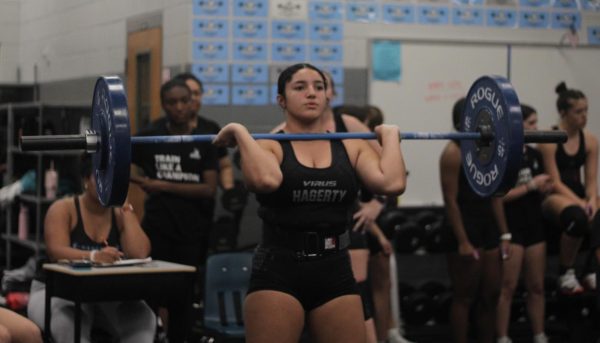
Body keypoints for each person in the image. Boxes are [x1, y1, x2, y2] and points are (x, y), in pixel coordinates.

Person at [213, 63, 406, 343]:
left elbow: (392, 184)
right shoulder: (269, 145)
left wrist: (390, 137)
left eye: (318, 87)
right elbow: (264, 182)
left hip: (335, 268)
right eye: (300, 87)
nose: (311, 93)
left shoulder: (350, 145)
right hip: (279, 268)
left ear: (328, 96)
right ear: (282, 100)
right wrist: (240, 132)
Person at [27, 154, 156, 343]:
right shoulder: (63, 209)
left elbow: (141, 252)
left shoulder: (119, 213)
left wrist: (125, 205)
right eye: (101, 176)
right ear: (86, 179)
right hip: (56, 292)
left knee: (143, 319)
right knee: (69, 323)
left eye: (114, 177)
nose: (108, 182)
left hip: (104, 294)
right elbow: (56, 252)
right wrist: (93, 256)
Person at [131, 78, 219, 342]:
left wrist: (162, 185)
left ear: (193, 102)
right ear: (164, 105)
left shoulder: (205, 136)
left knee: (182, 301)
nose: (179, 107)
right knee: (149, 298)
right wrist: (142, 182)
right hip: (157, 229)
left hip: (192, 233)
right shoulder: (149, 135)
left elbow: (208, 188)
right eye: (172, 102)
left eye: (184, 101)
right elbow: (118, 162)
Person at [439, 98, 510, 343]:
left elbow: (495, 195)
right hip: (463, 226)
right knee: (464, 297)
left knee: (491, 294)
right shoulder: (452, 153)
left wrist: (504, 234)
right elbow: (450, 200)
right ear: (463, 122)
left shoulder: (488, 149)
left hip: (488, 225)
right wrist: (463, 241)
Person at [495, 104, 553, 343]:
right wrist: (529, 186)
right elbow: (498, 196)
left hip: (534, 226)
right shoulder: (504, 156)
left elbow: (544, 189)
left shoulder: (536, 155)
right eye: (530, 124)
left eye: (535, 123)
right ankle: (502, 337)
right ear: (518, 126)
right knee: (507, 287)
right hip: (512, 227)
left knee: (537, 286)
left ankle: (539, 335)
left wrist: (545, 189)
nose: (535, 128)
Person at [539, 82, 599, 294]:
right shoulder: (549, 139)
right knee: (578, 216)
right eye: (578, 112)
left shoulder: (590, 141)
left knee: (597, 212)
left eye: (586, 111)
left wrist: (591, 200)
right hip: (553, 195)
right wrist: (581, 204)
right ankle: (566, 272)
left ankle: (592, 269)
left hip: (579, 192)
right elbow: (554, 181)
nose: (584, 116)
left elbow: (591, 181)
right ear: (563, 113)